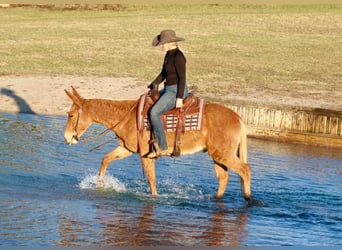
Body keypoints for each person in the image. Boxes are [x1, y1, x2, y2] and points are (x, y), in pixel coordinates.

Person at [145, 29, 189, 159]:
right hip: (168, 87)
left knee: (154, 112)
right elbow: (164, 74)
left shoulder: (179, 57)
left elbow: (182, 78)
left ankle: (162, 147)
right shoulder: (168, 55)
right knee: (148, 100)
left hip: (176, 90)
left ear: (169, 43)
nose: (161, 46)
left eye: (162, 44)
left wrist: (179, 97)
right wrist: (153, 85)